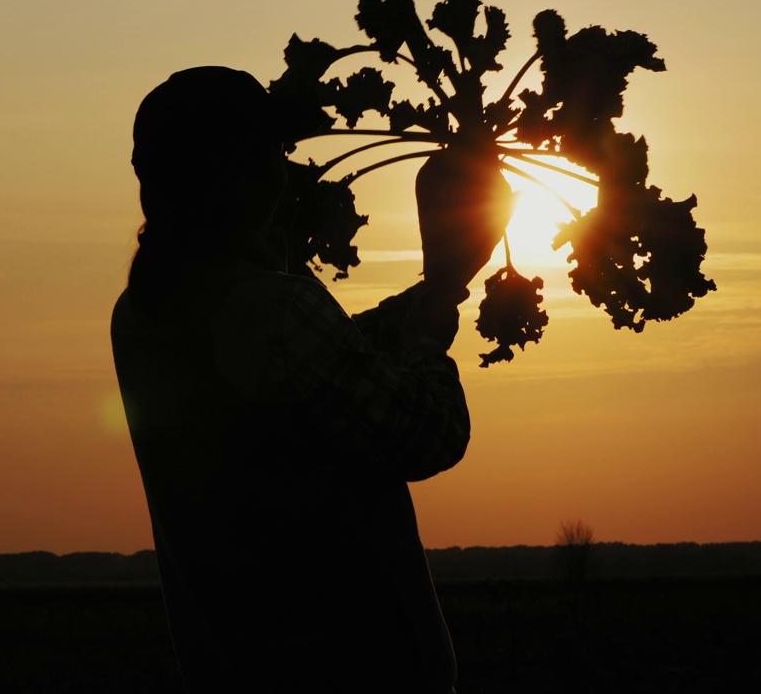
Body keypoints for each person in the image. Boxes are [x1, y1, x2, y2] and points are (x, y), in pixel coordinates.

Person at [111, 66, 503, 694]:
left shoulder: (139, 315)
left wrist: (439, 285)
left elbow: (321, 365)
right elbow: (427, 434)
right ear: (241, 179)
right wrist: (429, 337)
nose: (286, 172)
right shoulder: (277, 310)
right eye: (273, 155)